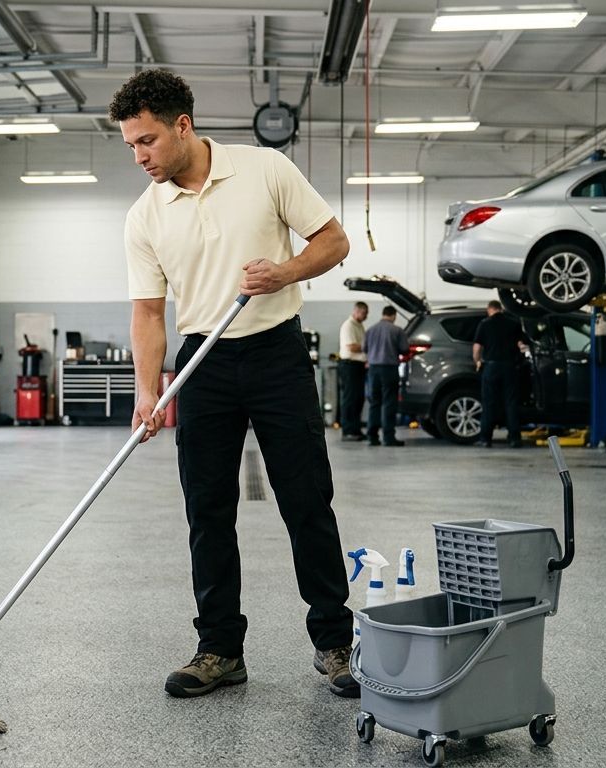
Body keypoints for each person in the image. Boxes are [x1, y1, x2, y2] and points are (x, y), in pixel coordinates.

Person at [111, 69, 358, 699]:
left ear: (183, 126)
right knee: (207, 509)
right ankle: (219, 649)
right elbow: (147, 312)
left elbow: (333, 241)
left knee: (305, 499)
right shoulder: (146, 216)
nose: (139, 156)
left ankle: (335, 643)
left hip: (276, 349)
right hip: (202, 361)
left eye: (147, 141)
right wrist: (148, 391)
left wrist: (285, 272)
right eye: (132, 145)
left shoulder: (264, 170)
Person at [472, 299, 532, 448]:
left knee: (489, 403)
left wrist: (478, 361)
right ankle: (514, 439)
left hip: (491, 367)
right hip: (510, 367)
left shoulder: (484, 324)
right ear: (501, 309)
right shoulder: (513, 323)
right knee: (511, 403)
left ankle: (485, 439)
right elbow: (523, 343)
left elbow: (477, 347)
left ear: (489, 310)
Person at [363, 305, 408, 446]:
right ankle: (388, 437)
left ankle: (372, 437)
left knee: (374, 403)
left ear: (383, 314)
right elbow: (405, 349)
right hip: (389, 369)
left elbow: (365, 349)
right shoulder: (397, 330)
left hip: (373, 369)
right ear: (394, 316)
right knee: (389, 403)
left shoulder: (370, 330)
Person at [337, 302, 369, 441]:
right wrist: (367, 346)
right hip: (349, 365)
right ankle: (348, 430)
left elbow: (360, 346)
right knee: (350, 398)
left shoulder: (359, 325)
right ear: (356, 311)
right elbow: (352, 347)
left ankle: (356, 429)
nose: (365, 316)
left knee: (358, 398)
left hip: (358, 366)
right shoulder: (348, 326)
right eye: (363, 313)